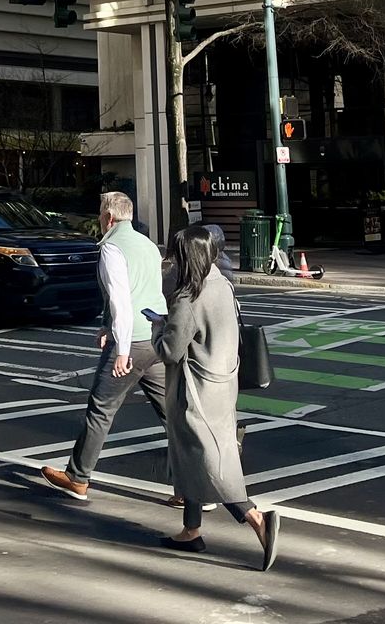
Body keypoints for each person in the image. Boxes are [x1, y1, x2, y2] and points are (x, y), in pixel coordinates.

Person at [153, 225, 281, 570]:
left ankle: (254, 516)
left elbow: (169, 350)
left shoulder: (186, 297)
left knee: (209, 460)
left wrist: (158, 325)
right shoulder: (221, 284)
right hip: (224, 382)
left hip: (193, 390)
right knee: (197, 454)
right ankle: (191, 530)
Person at [39, 191, 169, 501]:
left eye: (100, 215)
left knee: (101, 408)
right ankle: (195, 489)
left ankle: (78, 476)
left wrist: (121, 348)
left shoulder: (112, 247)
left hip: (133, 339)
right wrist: (105, 324)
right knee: (173, 414)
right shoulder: (149, 245)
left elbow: (122, 300)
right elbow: (146, 289)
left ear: (108, 218)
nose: (100, 220)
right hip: (158, 337)